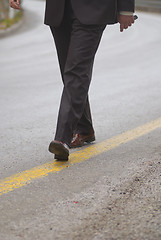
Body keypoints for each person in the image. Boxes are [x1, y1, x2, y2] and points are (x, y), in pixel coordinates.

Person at [9, 0, 135, 161]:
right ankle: (84, 129)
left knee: (76, 72)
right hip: (59, 9)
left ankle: (62, 138)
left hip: (94, 9)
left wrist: (126, 8)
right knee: (68, 73)